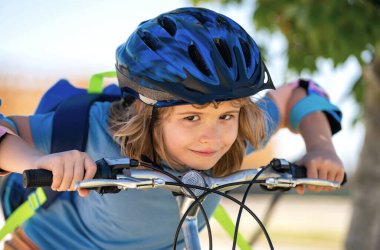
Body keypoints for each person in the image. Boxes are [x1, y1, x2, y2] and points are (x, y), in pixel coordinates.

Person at [0, 7, 344, 250]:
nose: (213, 137)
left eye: (226, 115)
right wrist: (34, 161)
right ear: (145, 114)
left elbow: (301, 91)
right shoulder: (90, 131)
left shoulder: (237, 137)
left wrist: (321, 147)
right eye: (191, 118)